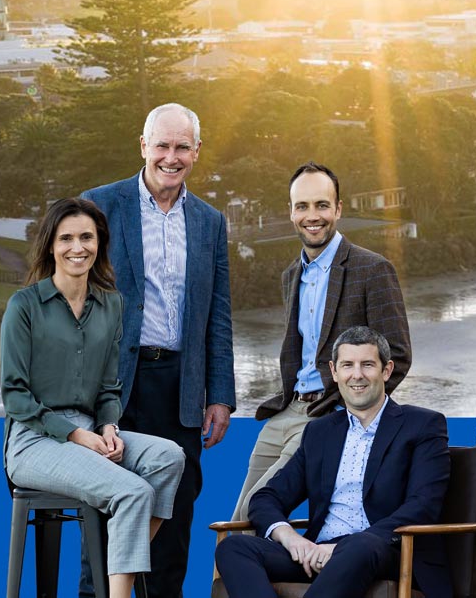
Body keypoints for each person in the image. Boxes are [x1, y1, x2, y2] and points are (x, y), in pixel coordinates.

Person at [82, 102, 235, 597]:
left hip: (182, 389)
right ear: (143, 146)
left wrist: (221, 396)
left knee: (176, 515)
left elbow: (218, 314)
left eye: (182, 147)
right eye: (163, 146)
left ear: (196, 152)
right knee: (109, 512)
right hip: (116, 387)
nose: (172, 157)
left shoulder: (210, 222)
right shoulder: (101, 206)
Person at [2, 197, 185, 598]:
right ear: (51, 245)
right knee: (133, 491)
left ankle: (114, 574)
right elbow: (14, 395)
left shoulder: (111, 305)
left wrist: (108, 426)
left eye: (86, 237)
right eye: (66, 238)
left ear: (99, 243)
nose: (77, 247)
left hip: (91, 430)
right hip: (34, 441)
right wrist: (76, 435)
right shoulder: (24, 306)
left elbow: (108, 387)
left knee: (169, 457)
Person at [230, 162, 412, 524]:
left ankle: (242, 578)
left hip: (328, 414)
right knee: (236, 520)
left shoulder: (372, 270)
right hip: (288, 410)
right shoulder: (290, 276)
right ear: (291, 212)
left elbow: (399, 356)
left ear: (339, 209)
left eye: (322, 205)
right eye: (302, 206)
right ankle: (231, 581)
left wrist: (347, 412)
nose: (312, 216)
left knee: (255, 513)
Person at [215, 327, 450, 598]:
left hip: (385, 551)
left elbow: (423, 505)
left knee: (359, 545)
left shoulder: (422, 425)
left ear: (386, 371)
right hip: (317, 553)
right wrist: (290, 538)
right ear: (334, 372)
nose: (357, 375)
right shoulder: (320, 432)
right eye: (347, 365)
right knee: (233, 548)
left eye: (368, 365)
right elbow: (267, 497)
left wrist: (341, 549)